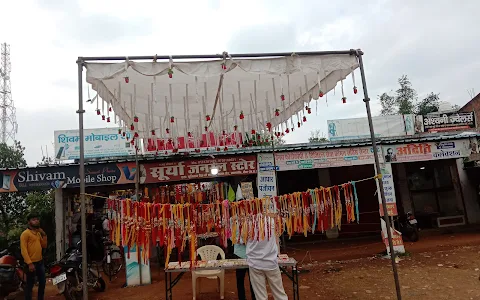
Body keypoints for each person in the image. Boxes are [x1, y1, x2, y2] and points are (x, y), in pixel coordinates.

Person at [246, 214, 287, 300]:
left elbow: (242, 240)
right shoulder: (272, 220)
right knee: (280, 294)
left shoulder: (247, 222)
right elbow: (279, 232)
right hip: (270, 262)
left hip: (255, 263)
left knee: (261, 297)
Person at [20, 213, 47, 300]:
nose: (36, 221)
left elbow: (44, 246)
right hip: (31, 263)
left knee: (42, 283)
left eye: (37, 219)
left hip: (40, 262)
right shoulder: (25, 234)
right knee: (30, 285)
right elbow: (23, 250)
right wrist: (29, 263)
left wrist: (44, 235)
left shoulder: (38, 233)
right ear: (29, 222)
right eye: (33, 219)